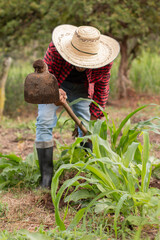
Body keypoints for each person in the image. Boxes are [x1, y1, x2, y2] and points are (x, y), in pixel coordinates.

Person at [35, 24, 120, 188]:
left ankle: (86, 172)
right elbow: (44, 76)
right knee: (44, 121)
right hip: (56, 84)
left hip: (82, 89)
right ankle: (46, 178)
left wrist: (94, 117)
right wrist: (55, 91)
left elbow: (102, 89)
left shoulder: (105, 61)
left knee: (87, 127)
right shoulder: (56, 49)